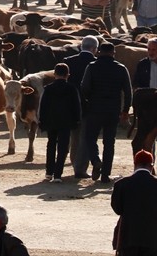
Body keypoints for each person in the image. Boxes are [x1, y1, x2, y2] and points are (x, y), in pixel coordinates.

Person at [77, 40, 133, 183]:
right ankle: (105, 175)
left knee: (90, 138)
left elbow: (84, 87)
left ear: (99, 52)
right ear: (114, 53)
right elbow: (128, 92)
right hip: (113, 110)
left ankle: (95, 160)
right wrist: (125, 110)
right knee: (109, 142)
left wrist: (90, 99)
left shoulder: (92, 67)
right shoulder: (121, 68)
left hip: (94, 108)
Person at [38, 62, 81, 183]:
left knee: (51, 145)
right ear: (68, 75)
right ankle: (58, 174)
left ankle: (49, 172)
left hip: (51, 121)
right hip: (66, 122)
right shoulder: (72, 89)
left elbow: (43, 106)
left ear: (54, 74)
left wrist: (42, 121)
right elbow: (76, 106)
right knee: (63, 147)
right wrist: (77, 120)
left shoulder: (48, 89)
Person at [110, 150, 157, 256]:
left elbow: (117, 209)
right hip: (152, 238)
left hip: (127, 237)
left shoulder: (121, 184)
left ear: (135, 164)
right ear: (151, 166)